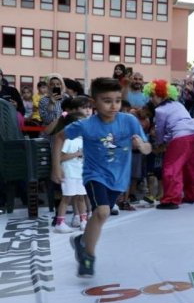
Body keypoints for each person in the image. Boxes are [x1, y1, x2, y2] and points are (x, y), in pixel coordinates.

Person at [52, 78, 151, 277]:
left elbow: (148, 148)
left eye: (117, 100)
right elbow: (59, 137)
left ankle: (81, 242)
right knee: (103, 211)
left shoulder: (129, 120)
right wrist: (56, 166)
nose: (113, 105)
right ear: (93, 102)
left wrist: (142, 146)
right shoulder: (86, 125)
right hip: (94, 175)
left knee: (100, 216)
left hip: (119, 179)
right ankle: (88, 256)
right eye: (107, 100)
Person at [146, 79, 194, 209]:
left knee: (171, 167)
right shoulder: (178, 104)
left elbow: (160, 130)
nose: (151, 99)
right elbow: (176, 125)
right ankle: (191, 195)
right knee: (189, 167)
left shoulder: (160, 110)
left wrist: (160, 144)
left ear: (161, 95)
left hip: (181, 138)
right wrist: (166, 140)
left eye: (152, 95)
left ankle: (171, 199)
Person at [49, 96, 92, 233]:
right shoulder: (68, 141)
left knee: (81, 198)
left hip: (81, 174)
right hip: (69, 174)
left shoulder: (82, 140)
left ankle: (84, 221)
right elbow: (60, 157)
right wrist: (77, 154)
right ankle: (60, 222)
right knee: (67, 198)